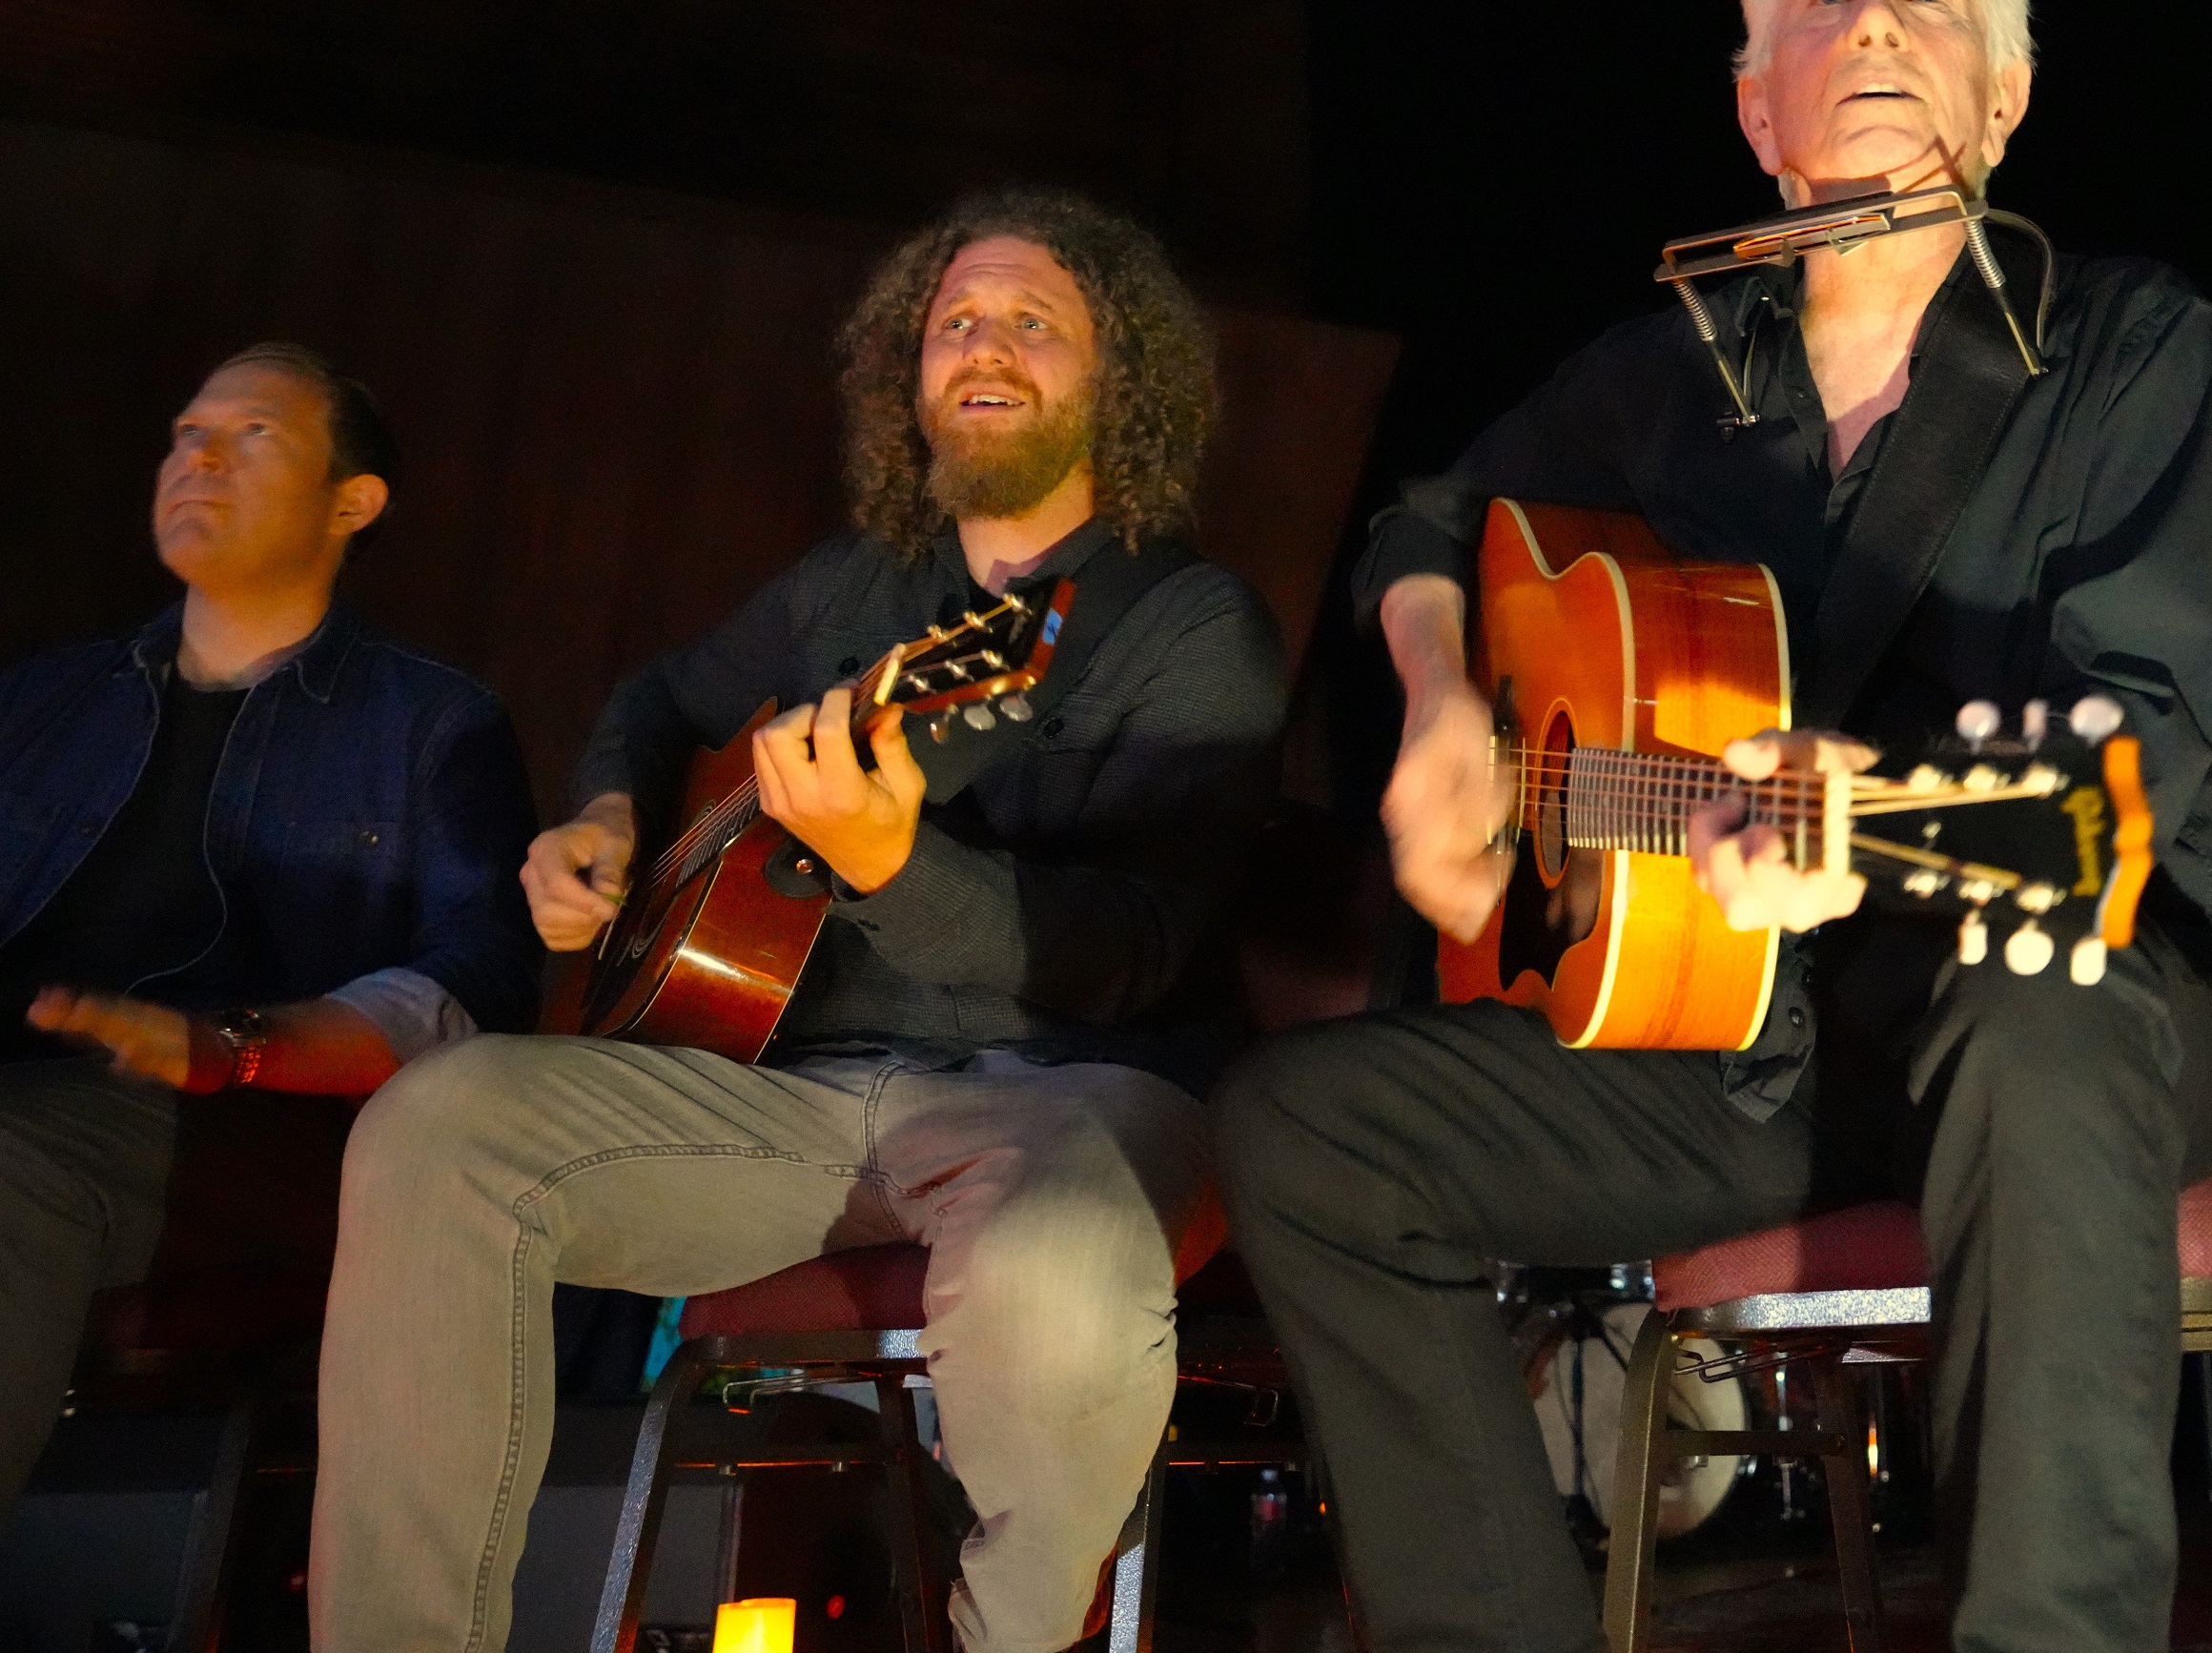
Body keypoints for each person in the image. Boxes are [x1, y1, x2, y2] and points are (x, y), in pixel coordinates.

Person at [1213, 0, 2212, 1653]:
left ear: (2002, 95)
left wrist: (1877, 804)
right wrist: (1447, 703)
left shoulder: (2122, 345)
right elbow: (1424, 524)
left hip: (2085, 997)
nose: (1870, 22)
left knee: (2037, 1015)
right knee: (1306, 1128)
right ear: (1754, 108)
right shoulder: (1662, 380)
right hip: (1754, 1056)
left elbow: (2139, 742)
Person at [310, 188, 1286, 1652]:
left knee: (1056, 1257)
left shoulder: (1191, 623)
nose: (985, 345)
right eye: (956, 319)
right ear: (910, 372)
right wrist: (609, 818)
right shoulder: (854, 582)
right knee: (437, 1123)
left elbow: (1139, 950)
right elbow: (656, 700)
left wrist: (895, 866)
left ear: (1119, 379)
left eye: (1034, 321)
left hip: (1073, 1092)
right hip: (783, 1100)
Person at [0, 343, 535, 1505]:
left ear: (354, 502)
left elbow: (481, 983)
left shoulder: (429, 722)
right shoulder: (46, 698)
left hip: (239, 1127)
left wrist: (239, 1043)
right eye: (187, 432)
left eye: (253, 436)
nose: (198, 456)